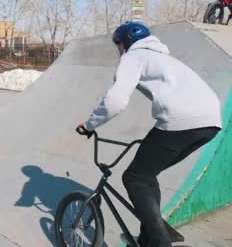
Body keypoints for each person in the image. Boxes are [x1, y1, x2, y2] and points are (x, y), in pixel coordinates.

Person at [76, 21, 222, 247]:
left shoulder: (133, 57)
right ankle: (154, 234)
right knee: (147, 174)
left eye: (119, 45)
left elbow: (115, 100)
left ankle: (159, 241)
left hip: (181, 121)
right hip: (211, 122)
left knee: (134, 177)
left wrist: (89, 125)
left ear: (125, 43)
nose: (119, 50)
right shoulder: (165, 59)